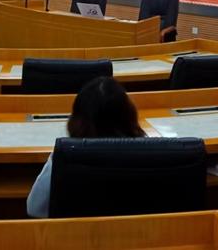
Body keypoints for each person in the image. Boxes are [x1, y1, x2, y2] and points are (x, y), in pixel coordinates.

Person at [26, 76, 145, 217]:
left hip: (73, 231)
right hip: (143, 231)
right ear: (130, 116)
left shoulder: (65, 154)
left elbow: (34, 208)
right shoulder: (152, 151)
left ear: (77, 120)